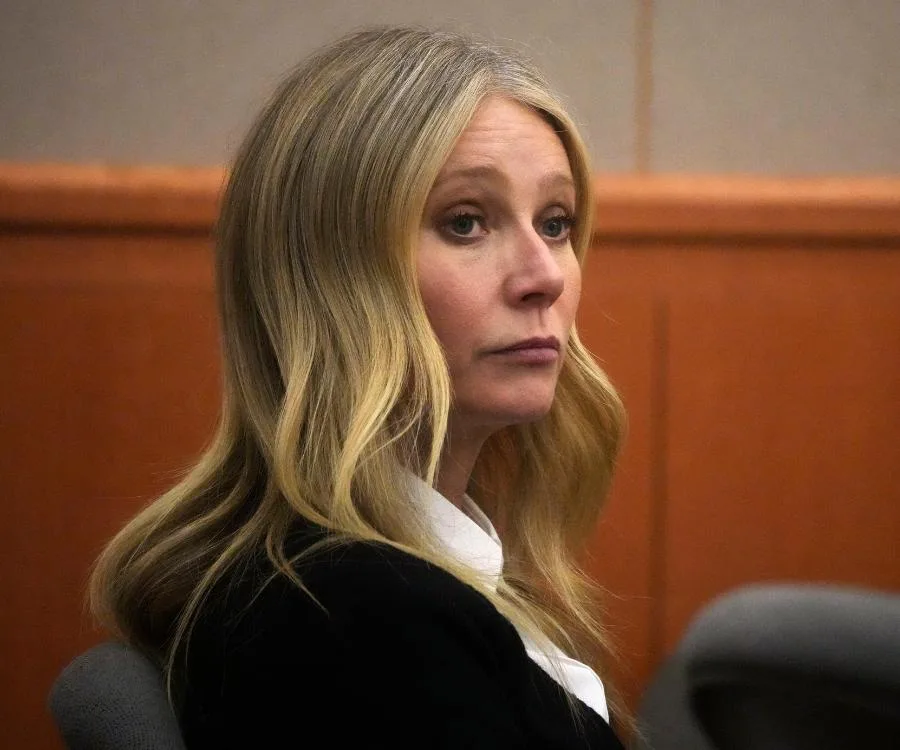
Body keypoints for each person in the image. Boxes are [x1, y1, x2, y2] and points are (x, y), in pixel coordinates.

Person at [90, 26, 626, 748]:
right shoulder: (363, 620)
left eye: (556, 223)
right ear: (327, 279)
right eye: (466, 222)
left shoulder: (386, 576)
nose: (547, 275)